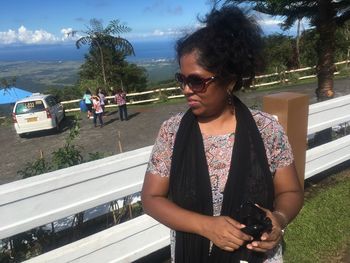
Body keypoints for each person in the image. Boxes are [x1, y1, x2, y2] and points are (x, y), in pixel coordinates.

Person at [141, 5, 303, 263]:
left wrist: (279, 219)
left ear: (228, 80)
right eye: (181, 79)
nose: (186, 89)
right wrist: (206, 226)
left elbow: (291, 192)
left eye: (196, 81)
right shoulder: (172, 132)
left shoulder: (266, 130)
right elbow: (151, 198)